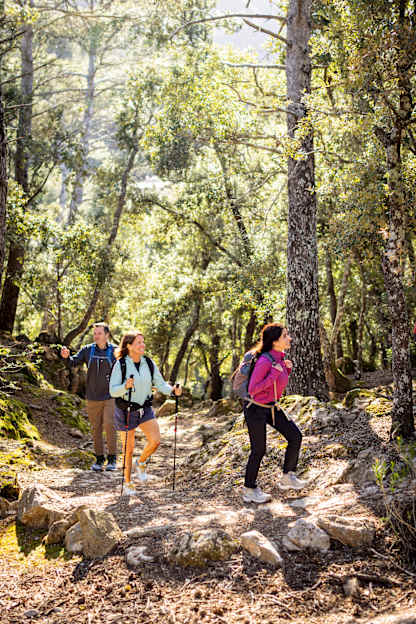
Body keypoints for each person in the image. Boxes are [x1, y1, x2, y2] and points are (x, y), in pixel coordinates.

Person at [109, 330, 182, 497]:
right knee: (128, 449)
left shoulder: (148, 363)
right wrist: (125, 387)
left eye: (143, 342)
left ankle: (141, 462)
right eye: (138, 342)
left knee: (155, 441)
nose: (143, 345)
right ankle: (127, 483)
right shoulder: (120, 365)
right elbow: (113, 391)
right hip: (125, 410)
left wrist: (172, 391)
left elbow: (161, 384)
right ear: (129, 346)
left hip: (144, 409)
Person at [243, 322, 307, 504]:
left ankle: (288, 476)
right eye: (285, 335)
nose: (290, 338)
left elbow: (276, 387)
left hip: (271, 407)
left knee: (295, 436)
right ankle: (249, 489)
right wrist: (273, 373)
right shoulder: (264, 360)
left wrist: (285, 370)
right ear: (275, 341)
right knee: (259, 449)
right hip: (254, 408)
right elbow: (254, 389)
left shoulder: (279, 358)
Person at [61, 322, 117, 472]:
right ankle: (99, 459)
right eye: (95, 333)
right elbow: (73, 362)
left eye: (99, 333)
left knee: (110, 424)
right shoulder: (87, 350)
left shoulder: (115, 351)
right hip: (92, 397)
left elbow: (124, 370)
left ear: (106, 335)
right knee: (95, 428)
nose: (96, 336)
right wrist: (66, 357)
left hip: (111, 396)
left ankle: (112, 458)